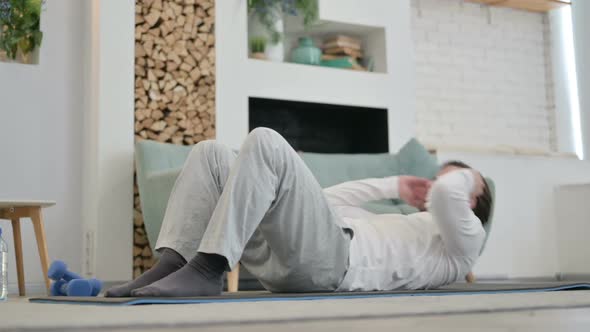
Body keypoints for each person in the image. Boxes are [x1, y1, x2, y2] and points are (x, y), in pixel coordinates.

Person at [106, 128, 493, 297]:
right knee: (210, 154)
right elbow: (328, 202)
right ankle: (174, 262)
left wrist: (470, 175)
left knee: (267, 142)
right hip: (295, 260)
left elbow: (445, 195)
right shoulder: (401, 225)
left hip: (334, 267)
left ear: (472, 199)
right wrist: (393, 186)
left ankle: (209, 269)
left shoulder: (464, 243)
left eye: (454, 182)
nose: (435, 187)